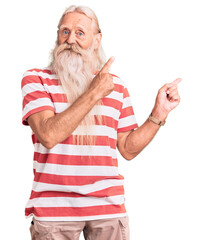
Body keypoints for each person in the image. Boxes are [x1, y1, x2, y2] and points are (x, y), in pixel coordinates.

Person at [21, 5, 181, 240]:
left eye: (80, 33)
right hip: (54, 210)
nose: (70, 40)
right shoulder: (36, 79)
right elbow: (48, 134)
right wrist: (94, 92)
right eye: (64, 31)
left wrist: (159, 113)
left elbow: (127, 148)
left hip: (108, 207)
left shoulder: (115, 85)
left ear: (97, 41)